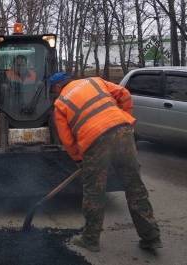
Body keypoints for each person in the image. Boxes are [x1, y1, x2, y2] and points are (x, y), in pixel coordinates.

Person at [50, 72, 162, 252]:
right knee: (135, 187)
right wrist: (124, 120)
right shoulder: (95, 81)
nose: (54, 94)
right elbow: (124, 94)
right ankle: (151, 237)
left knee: (94, 192)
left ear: (57, 87)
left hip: (94, 141)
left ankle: (90, 240)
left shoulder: (60, 103)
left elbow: (68, 140)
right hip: (123, 131)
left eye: (53, 91)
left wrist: (80, 160)